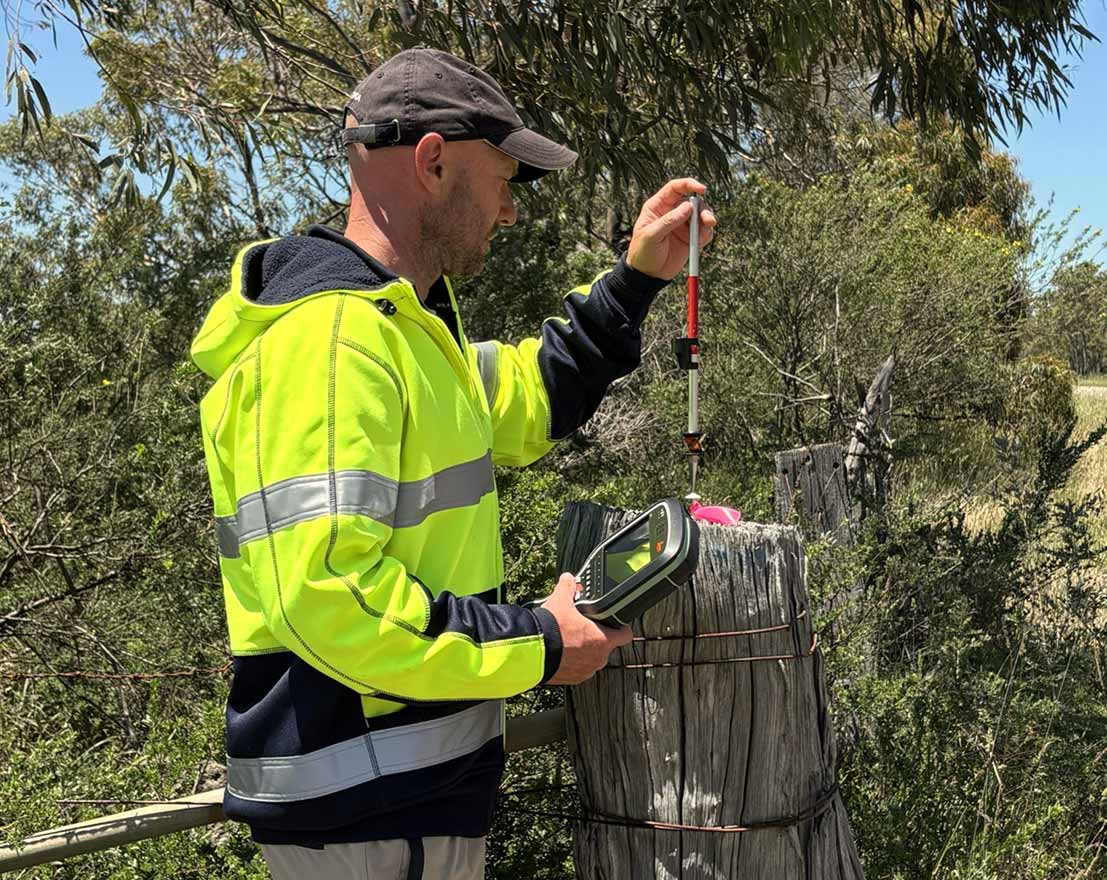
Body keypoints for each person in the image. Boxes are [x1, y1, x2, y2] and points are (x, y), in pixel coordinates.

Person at [190, 47, 715, 880]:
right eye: (501, 181)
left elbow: (535, 394)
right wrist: (539, 640)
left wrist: (637, 277)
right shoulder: (331, 347)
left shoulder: (405, 335)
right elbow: (337, 600)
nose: (507, 213)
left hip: (398, 804)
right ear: (432, 163)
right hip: (363, 815)